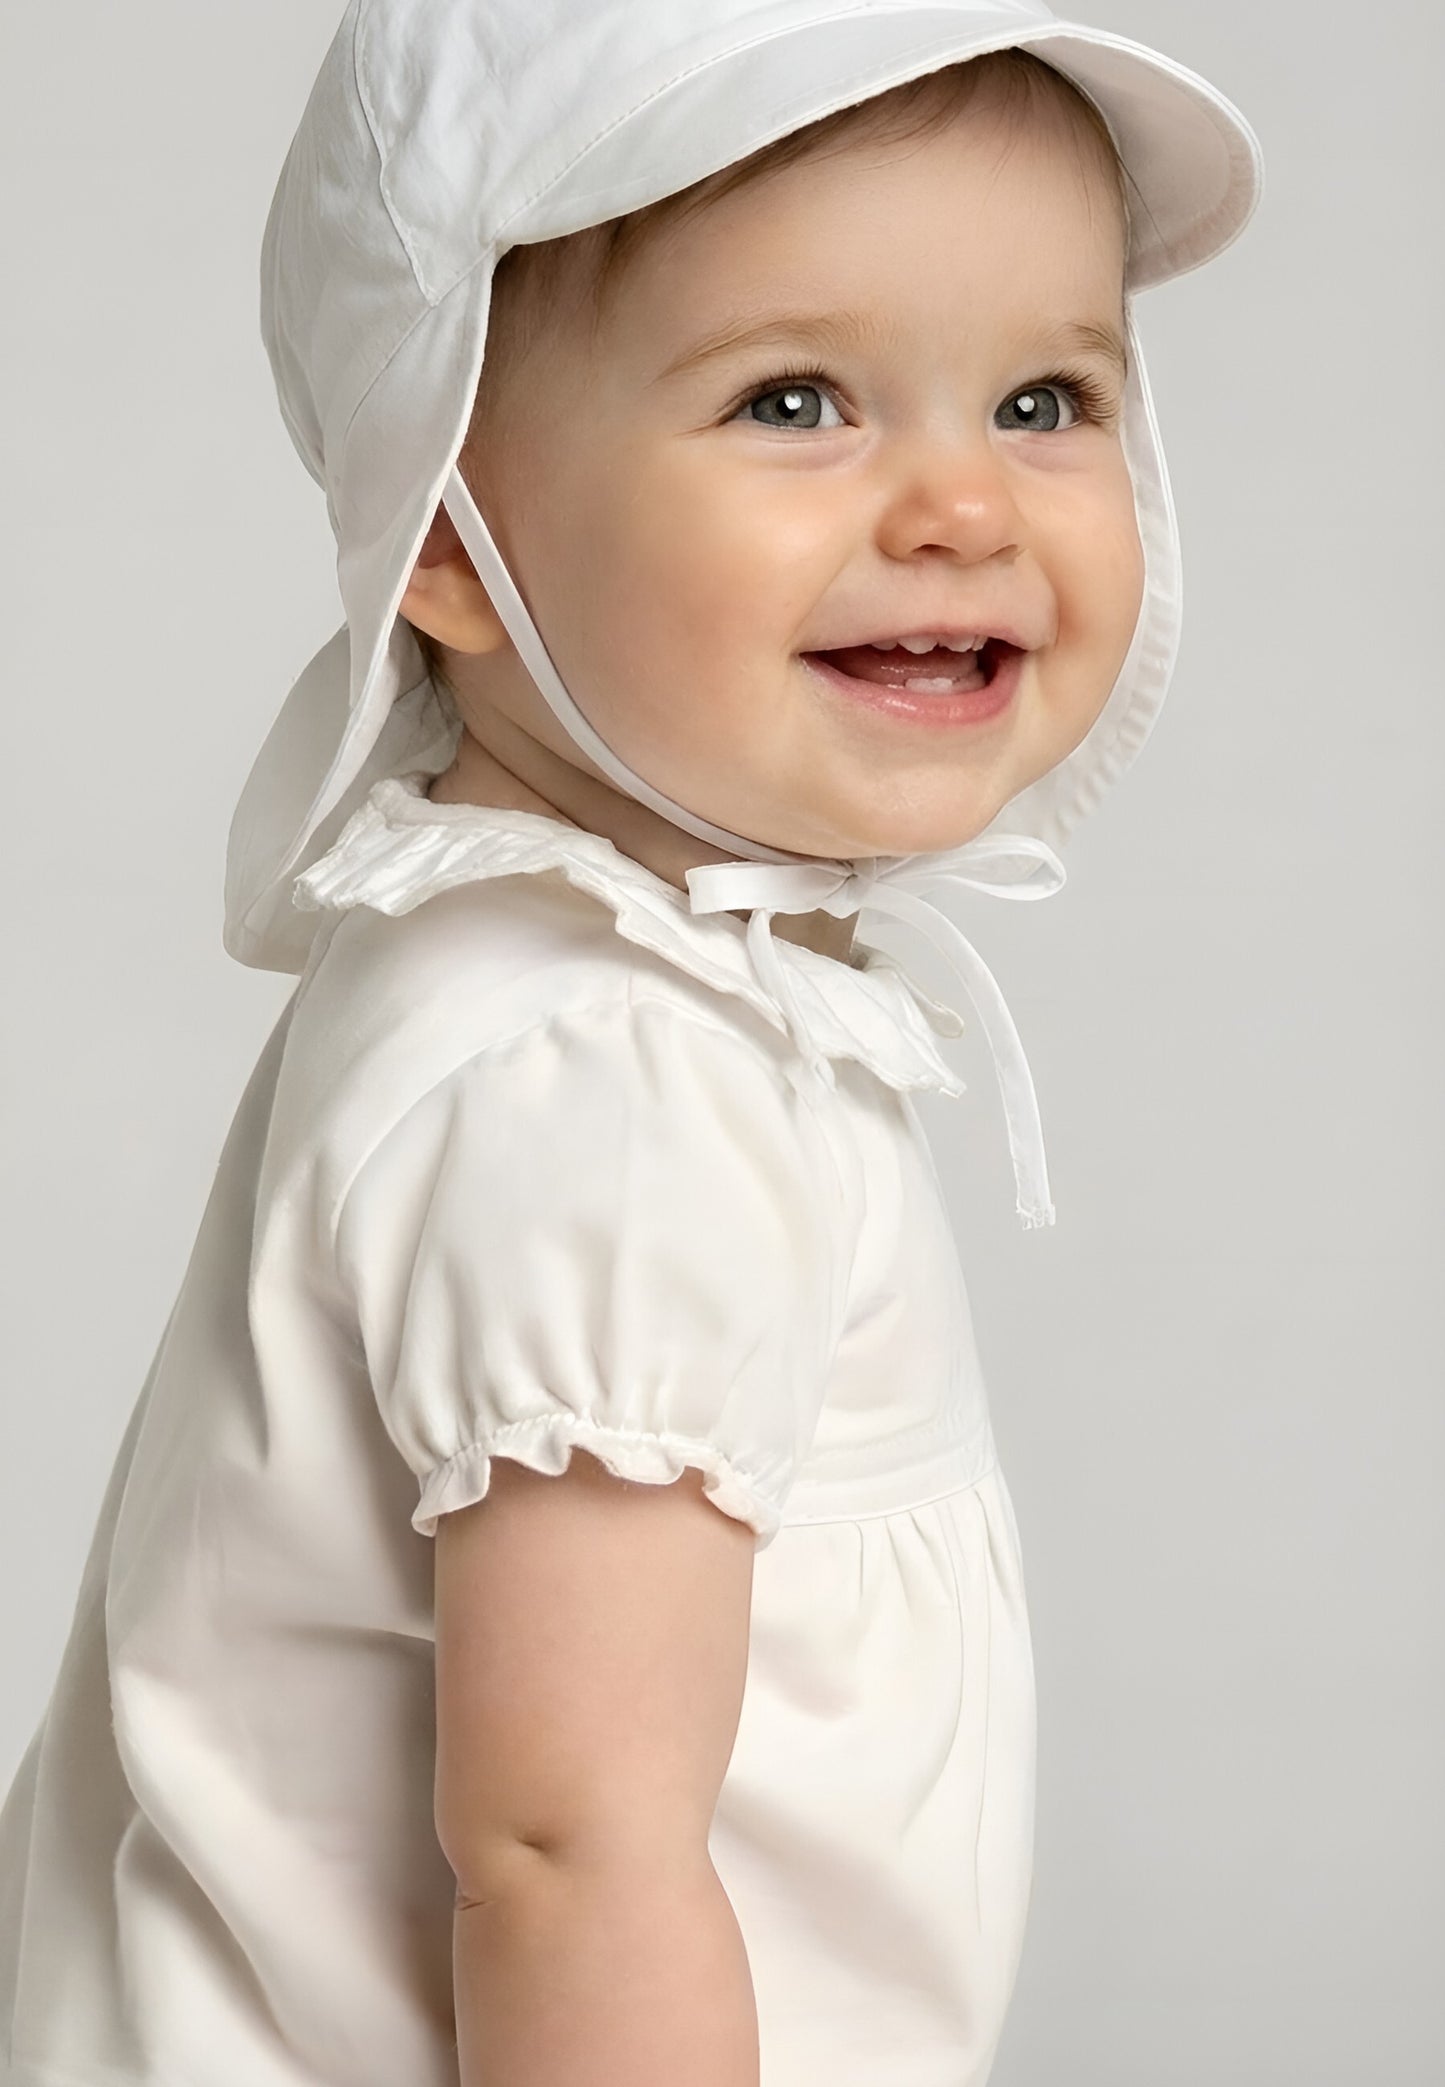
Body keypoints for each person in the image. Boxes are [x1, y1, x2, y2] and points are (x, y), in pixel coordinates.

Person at [0, 2, 1263, 2082]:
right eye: (796, 399)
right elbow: (573, 1846)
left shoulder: (562, 975)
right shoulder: (607, 1084)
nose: (961, 504)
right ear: (440, 531)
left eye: (1044, 394)